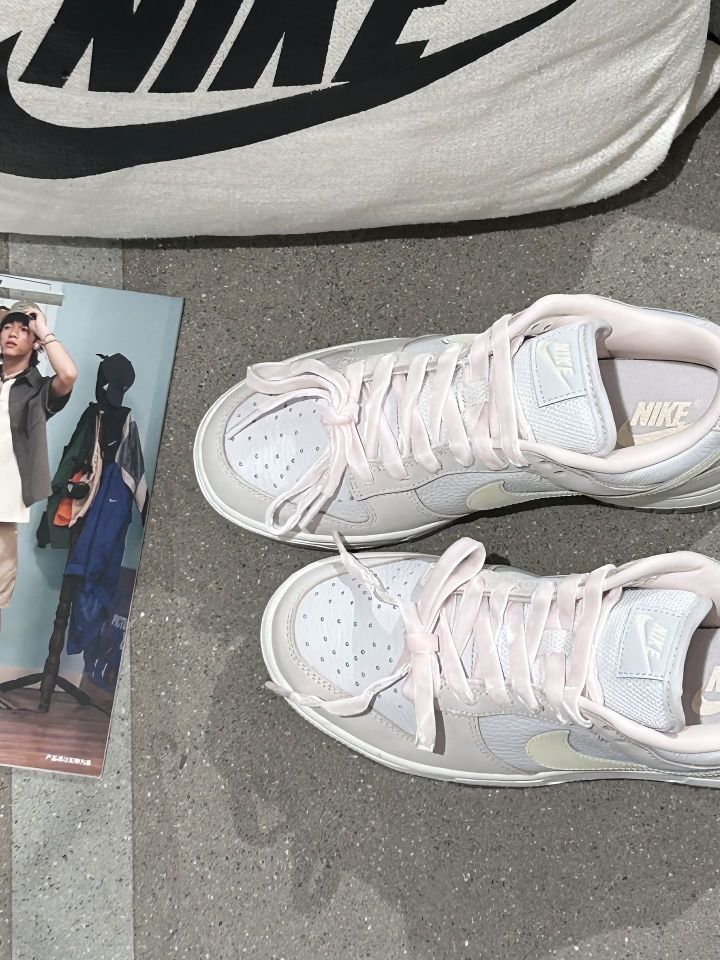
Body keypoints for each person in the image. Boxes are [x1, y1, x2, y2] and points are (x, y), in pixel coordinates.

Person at [0, 303, 77, 619]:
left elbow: (68, 374)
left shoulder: (38, 391)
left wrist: (43, 330)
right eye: (7, 327)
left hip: (2, 508)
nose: (13, 333)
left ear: (35, 344)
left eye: (23, 329)